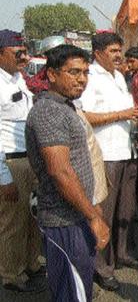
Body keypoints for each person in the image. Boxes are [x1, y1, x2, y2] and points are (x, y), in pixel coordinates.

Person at [25, 44, 110, 302]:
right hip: (64, 221)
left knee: (77, 289)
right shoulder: (49, 111)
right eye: (73, 72)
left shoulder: (65, 106)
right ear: (51, 74)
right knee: (71, 294)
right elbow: (60, 171)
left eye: (85, 72)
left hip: (75, 217)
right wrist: (93, 217)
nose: (82, 79)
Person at [77, 33, 138, 291]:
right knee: (103, 213)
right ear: (98, 53)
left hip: (127, 152)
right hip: (104, 156)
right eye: (114, 50)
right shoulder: (90, 78)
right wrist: (122, 114)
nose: (119, 55)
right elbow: (84, 117)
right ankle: (102, 268)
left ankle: (123, 253)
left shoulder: (118, 76)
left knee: (126, 210)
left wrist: (137, 117)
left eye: (120, 50)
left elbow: (126, 113)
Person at [0, 29, 45, 293]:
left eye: (25, 51)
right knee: (12, 223)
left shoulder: (18, 79)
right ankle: (10, 273)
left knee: (31, 217)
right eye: (18, 52)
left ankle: (30, 264)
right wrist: (3, 178)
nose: (24, 56)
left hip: (28, 157)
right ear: (1, 53)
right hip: (10, 161)